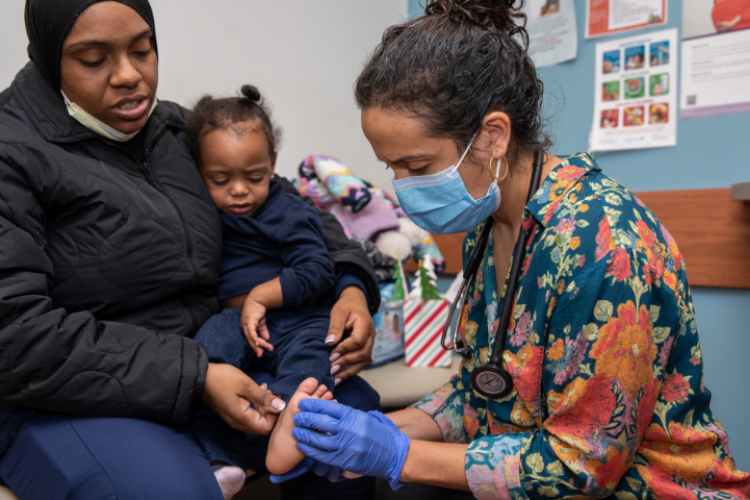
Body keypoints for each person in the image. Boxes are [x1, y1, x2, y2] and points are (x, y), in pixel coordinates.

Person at [285, 1, 750, 499]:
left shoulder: (605, 244)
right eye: (391, 167)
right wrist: (375, 430)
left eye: (417, 166)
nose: (403, 188)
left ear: (493, 136)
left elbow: (583, 466)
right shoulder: (488, 227)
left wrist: (399, 455)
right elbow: (482, 392)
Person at [0, 1, 380, 498]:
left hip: (218, 356)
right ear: (51, 59)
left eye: (142, 50)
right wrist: (196, 375)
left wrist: (352, 285)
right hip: (70, 398)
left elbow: (286, 204)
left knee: (348, 421)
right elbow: (15, 336)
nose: (128, 75)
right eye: (94, 60)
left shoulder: (176, 131)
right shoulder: (12, 152)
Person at [184, 84, 344, 491]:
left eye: (254, 177)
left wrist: (261, 296)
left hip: (300, 318)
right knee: (201, 366)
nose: (239, 191)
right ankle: (221, 461)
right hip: (235, 320)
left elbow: (318, 270)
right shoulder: (205, 212)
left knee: (311, 366)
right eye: (220, 179)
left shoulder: (288, 211)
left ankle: (286, 430)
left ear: (272, 164)